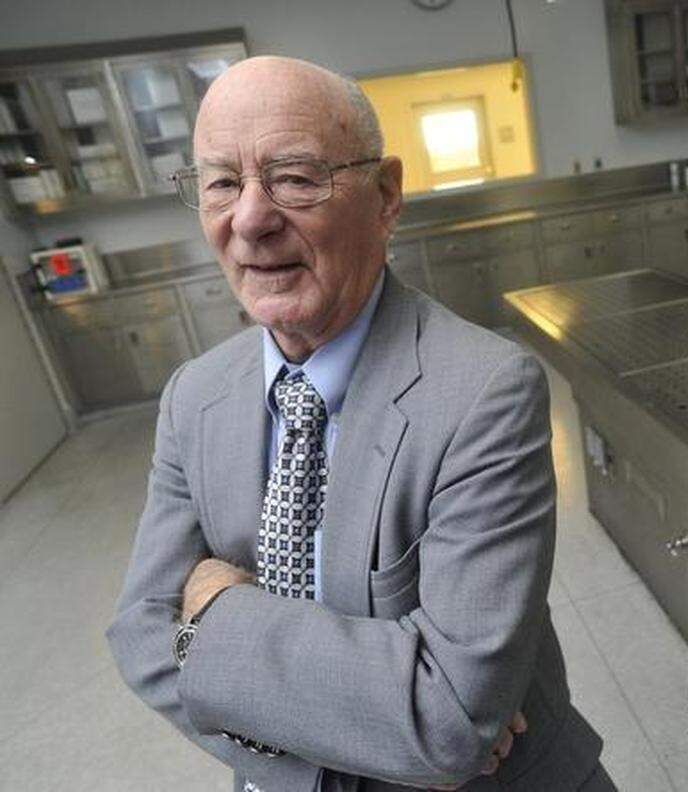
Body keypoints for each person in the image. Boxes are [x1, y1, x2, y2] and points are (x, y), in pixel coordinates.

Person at [106, 56, 610, 792]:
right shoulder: (195, 397)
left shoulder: (483, 392)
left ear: (385, 194)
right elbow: (142, 635)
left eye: (296, 177)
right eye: (221, 182)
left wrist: (215, 611)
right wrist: (370, 738)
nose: (250, 218)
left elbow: (448, 717)